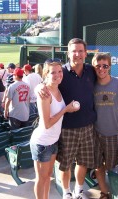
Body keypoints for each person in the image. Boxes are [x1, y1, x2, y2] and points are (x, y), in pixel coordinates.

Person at [37, 38, 97, 199]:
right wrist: (39, 87)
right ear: (68, 53)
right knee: (65, 164)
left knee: (83, 162)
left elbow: (107, 79)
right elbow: (47, 82)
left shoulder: (91, 70)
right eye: (73, 51)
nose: (77, 54)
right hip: (67, 128)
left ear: (85, 53)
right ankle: (66, 192)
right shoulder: (61, 72)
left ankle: (79, 190)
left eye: (80, 51)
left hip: (88, 126)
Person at [30, 59, 79, 199]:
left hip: (53, 141)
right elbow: (47, 123)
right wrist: (66, 110)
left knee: (47, 178)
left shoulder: (57, 88)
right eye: (53, 72)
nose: (58, 75)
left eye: (59, 71)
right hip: (42, 143)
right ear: (46, 74)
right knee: (41, 179)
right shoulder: (45, 93)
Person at [92, 53, 118, 199]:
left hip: (113, 133)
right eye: (98, 65)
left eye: (105, 66)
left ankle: (115, 191)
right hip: (94, 133)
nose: (101, 69)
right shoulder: (91, 83)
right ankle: (104, 192)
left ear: (110, 67)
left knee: (112, 166)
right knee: (97, 165)